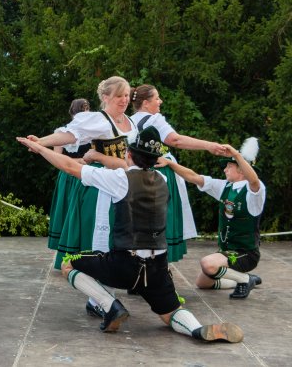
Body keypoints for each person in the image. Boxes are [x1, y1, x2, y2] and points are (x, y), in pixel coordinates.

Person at [17, 127, 244, 343]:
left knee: (69, 264)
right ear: (155, 159)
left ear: (129, 154)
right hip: (158, 268)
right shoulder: (162, 180)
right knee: (170, 313)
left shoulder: (120, 180)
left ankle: (109, 306)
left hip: (125, 264)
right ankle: (195, 330)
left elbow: (70, 167)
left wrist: (40, 148)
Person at [87, 84, 226, 262]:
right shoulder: (154, 120)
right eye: (157, 98)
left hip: (130, 173)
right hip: (156, 174)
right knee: (157, 217)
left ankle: (135, 258)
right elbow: (175, 140)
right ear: (145, 103)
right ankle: (158, 261)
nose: (160, 101)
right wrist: (209, 146)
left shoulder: (127, 120)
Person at [28, 77, 137, 270]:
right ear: (105, 97)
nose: (124, 100)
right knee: (100, 235)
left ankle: (126, 270)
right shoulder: (99, 120)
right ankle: (96, 274)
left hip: (127, 183)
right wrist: (40, 142)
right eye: (119, 95)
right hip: (102, 186)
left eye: (127, 95)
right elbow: (69, 135)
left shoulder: (130, 121)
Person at [159, 138, 265, 299]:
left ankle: (245, 279)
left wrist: (236, 154)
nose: (225, 170)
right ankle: (242, 281)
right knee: (203, 283)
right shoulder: (225, 186)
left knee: (207, 264)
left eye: (229, 166)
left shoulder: (255, 192)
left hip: (246, 253)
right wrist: (170, 164)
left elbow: (254, 180)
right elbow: (194, 177)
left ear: (242, 170)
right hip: (226, 252)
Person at [48, 99, 91, 252]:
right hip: (68, 176)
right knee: (69, 212)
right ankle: (67, 250)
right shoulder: (61, 132)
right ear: (74, 113)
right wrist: (77, 160)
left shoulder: (93, 132)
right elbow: (56, 158)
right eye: (82, 109)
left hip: (88, 175)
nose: (85, 112)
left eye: (87, 109)